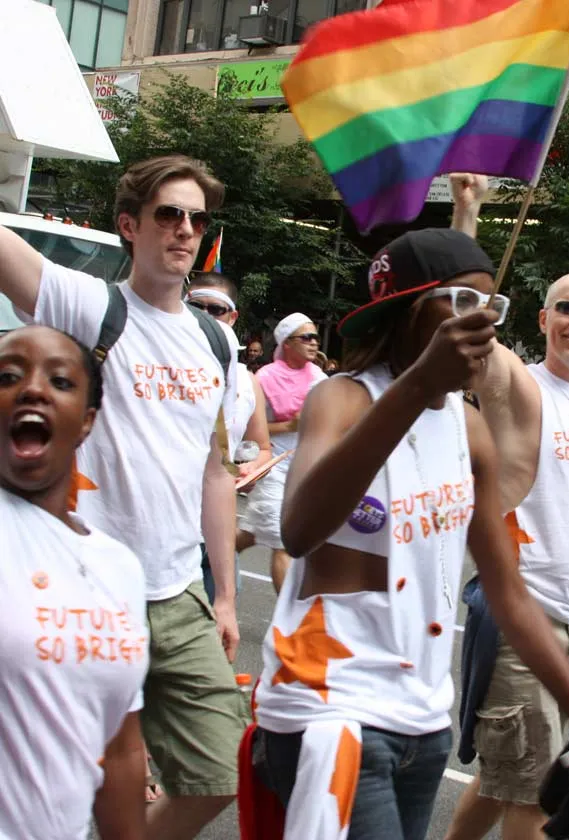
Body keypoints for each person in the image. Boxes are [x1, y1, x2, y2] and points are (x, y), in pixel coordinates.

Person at [243, 228, 569, 840]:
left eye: (491, 306)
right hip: (331, 709)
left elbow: (509, 596)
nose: (482, 321)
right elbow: (298, 529)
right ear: (407, 312)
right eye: (461, 302)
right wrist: (418, 386)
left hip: (423, 723)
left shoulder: (469, 429)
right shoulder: (341, 399)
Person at [0, 154, 244, 837]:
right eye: (169, 214)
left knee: (221, 771)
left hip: (176, 594)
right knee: (70, 772)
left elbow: (216, 471)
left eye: (198, 219)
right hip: (80, 589)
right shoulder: (92, 307)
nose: (185, 229)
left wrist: (225, 596)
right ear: (130, 226)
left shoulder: (217, 343)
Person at [445, 174, 569, 840]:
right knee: (535, 797)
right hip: (517, 618)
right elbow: (466, 320)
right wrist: (468, 212)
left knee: (504, 781)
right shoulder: (519, 388)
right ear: (543, 320)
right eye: (567, 307)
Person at [0, 325, 149, 840]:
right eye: (7, 377)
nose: (33, 389)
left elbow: (120, 747)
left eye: (60, 381)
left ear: (86, 421)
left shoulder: (118, 567)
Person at [185, 272, 272, 601]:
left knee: (218, 620)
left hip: (215, 531)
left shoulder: (247, 381)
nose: (206, 317)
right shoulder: (158, 366)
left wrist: (251, 468)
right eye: (196, 307)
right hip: (162, 528)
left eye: (216, 310)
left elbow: (262, 447)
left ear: (232, 317)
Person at [242, 313, 327, 593]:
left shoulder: (319, 378)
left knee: (250, 534)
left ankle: (209, 555)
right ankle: (287, 616)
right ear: (287, 344)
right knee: (282, 542)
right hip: (271, 467)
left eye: (315, 337)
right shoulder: (263, 379)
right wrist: (289, 425)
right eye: (307, 337)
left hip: (303, 469)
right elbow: (249, 430)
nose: (314, 343)